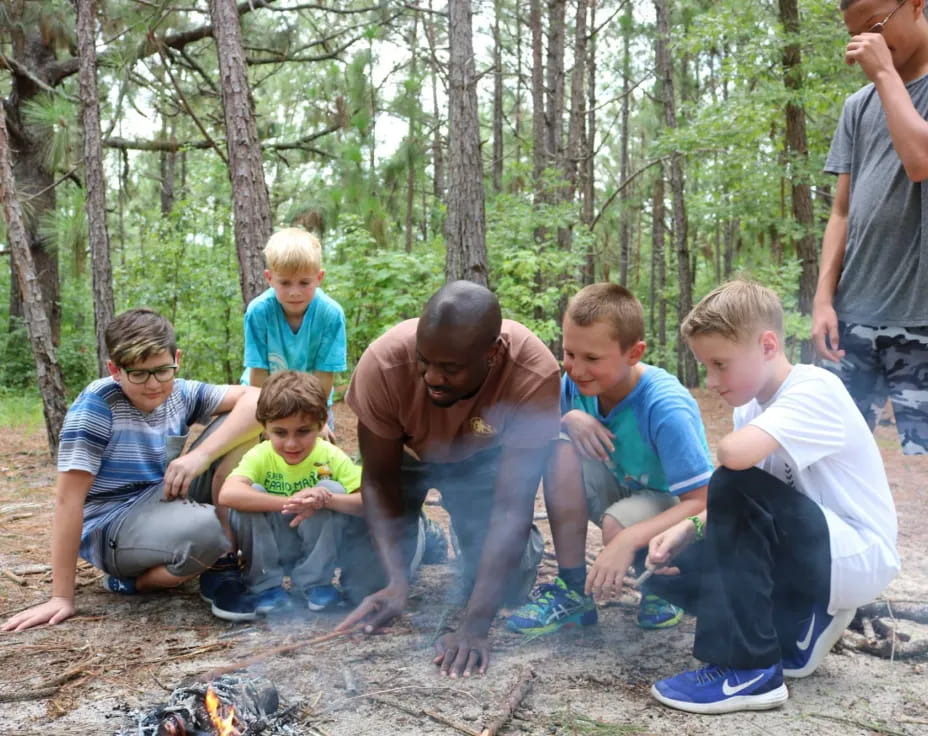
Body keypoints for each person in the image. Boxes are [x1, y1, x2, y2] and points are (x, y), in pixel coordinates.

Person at [644, 280, 899, 714]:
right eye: (706, 366)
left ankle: (750, 671)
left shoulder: (814, 388)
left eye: (720, 364)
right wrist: (688, 527)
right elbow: (750, 512)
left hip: (855, 554)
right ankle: (796, 620)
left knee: (730, 476)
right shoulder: (750, 407)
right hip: (809, 549)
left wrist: (716, 490)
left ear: (767, 345)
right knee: (672, 568)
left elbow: (732, 463)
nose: (712, 381)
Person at [335, 280, 561, 678]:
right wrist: (395, 581)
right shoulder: (384, 363)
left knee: (508, 586)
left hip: (483, 461)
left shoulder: (532, 373)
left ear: (491, 354)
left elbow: (513, 507)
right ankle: (421, 537)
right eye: (425, 361)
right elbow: (378, 480)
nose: (432, 378)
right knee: (362, 583)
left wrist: (475, 625)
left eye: (451, 368)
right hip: (404, 457)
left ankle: (469, 534)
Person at [2, 309, 264, 633]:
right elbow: (67, 503)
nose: (153, 384)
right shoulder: (96, 409)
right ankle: (133, 582)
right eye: (139, 374)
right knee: (207, 530)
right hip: (113, 525)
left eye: (162, 371)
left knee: (246, 425)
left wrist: (201, 456)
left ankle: (224, 565)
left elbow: (258, 398)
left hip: (161, 498)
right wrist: (61, 597)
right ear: (115, 369)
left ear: (176, 359)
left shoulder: (179, 391)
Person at [507, 283, 713, 635]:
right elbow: (522, 427)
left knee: (619, 525)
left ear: (634, 353)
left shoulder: (665, 407)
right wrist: (566, 419)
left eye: (592, 359)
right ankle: (573, 591)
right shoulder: (571, 385)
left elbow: (703, 501)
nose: (575, 368)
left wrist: (626, 541)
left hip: (669, 507)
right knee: (558, 446)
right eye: (569, 353)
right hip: (618, 491)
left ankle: (662, 586)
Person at [812, 0, 928, 454]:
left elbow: (919, 162)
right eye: (857, 34)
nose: (866, 46)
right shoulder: (857, 108)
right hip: (853, 319)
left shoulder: (882, 82)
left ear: (917, 4)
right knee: (829, 458)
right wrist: (824, 300)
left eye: (876, 27)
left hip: (921, 320)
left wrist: (884, 76)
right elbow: (840, 212)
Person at [218, 371, 364, 615]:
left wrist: (325, 500)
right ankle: (265, 585)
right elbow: (227, 494)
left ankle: (315, 583)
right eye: (280, 432)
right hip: (272, 542)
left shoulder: (329, 454)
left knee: (330, 489)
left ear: (322, 423)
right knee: (248, 494)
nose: (292, 444)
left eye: (303, 431)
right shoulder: (261, 454)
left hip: (314, 542)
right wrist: (292, 502)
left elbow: (366, 502)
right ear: (264, 427)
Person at [242, 227, 347, 440]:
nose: (294, 291)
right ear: (270, 278)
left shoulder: (330, 314)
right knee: (254, 454)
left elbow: (324, 376)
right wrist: (264, 422)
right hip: (263, 398)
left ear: (319, 278)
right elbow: (258, 373)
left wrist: (317, 420)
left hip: (312, 402)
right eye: (285, 282)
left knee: (322, 455)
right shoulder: (259, 311)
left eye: (304, 282)